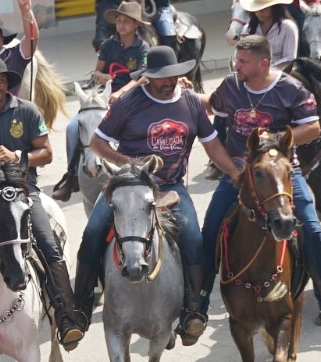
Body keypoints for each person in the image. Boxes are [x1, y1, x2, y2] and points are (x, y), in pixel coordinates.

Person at [74, 46, 239, 345]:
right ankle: (80, 308)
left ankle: (193, 308)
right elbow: (98, 142)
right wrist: (128, 163)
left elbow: (213, 145)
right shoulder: (128, 103)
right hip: (127, 186)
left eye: (172, 75)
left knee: (194, 239)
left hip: (171, 187)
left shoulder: (190, 102)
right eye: (161, 77)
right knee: (93, 232)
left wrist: (235, 173)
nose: (168, 81)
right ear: (148, 77)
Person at [200, 35, 321, 337]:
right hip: (239, 173)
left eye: (243, 61)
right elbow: (212, 104)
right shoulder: (232, 85)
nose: (236, 65)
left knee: (312, 231)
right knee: (210, 230)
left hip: (283, 174)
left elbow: (313, 127)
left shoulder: (291, 89)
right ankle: (199, 304)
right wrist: (183, 93)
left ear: (263, 63)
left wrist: (275, 139)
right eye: (237, 59)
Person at [0, 55, 86, 349]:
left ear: (7, 84)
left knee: (48, 243)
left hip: (23, 190)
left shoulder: (27, 110)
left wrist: (16, 156)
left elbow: (46, 154)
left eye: (0, 81)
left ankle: (67, 316)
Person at [52, 0, 148, 202]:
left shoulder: (143, 48)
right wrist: (101, 77)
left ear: (136, 24)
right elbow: (96, 71)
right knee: (72, 128)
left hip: (131, 98)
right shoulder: (107, 45)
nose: (121, 25)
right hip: (103, 97)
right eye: (119, 21)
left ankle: (144, 169)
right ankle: (72, 176)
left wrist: (121, 92)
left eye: (126, 22)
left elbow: (143, 77)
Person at [239, 0, 299, 68]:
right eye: (257, 9)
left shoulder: (288, 27)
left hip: (280, 71)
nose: (260, 12)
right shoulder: (248, 29)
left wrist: (267, 69)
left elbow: (289, 58)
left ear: (274, 8)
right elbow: (241, 55)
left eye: (265, 8)